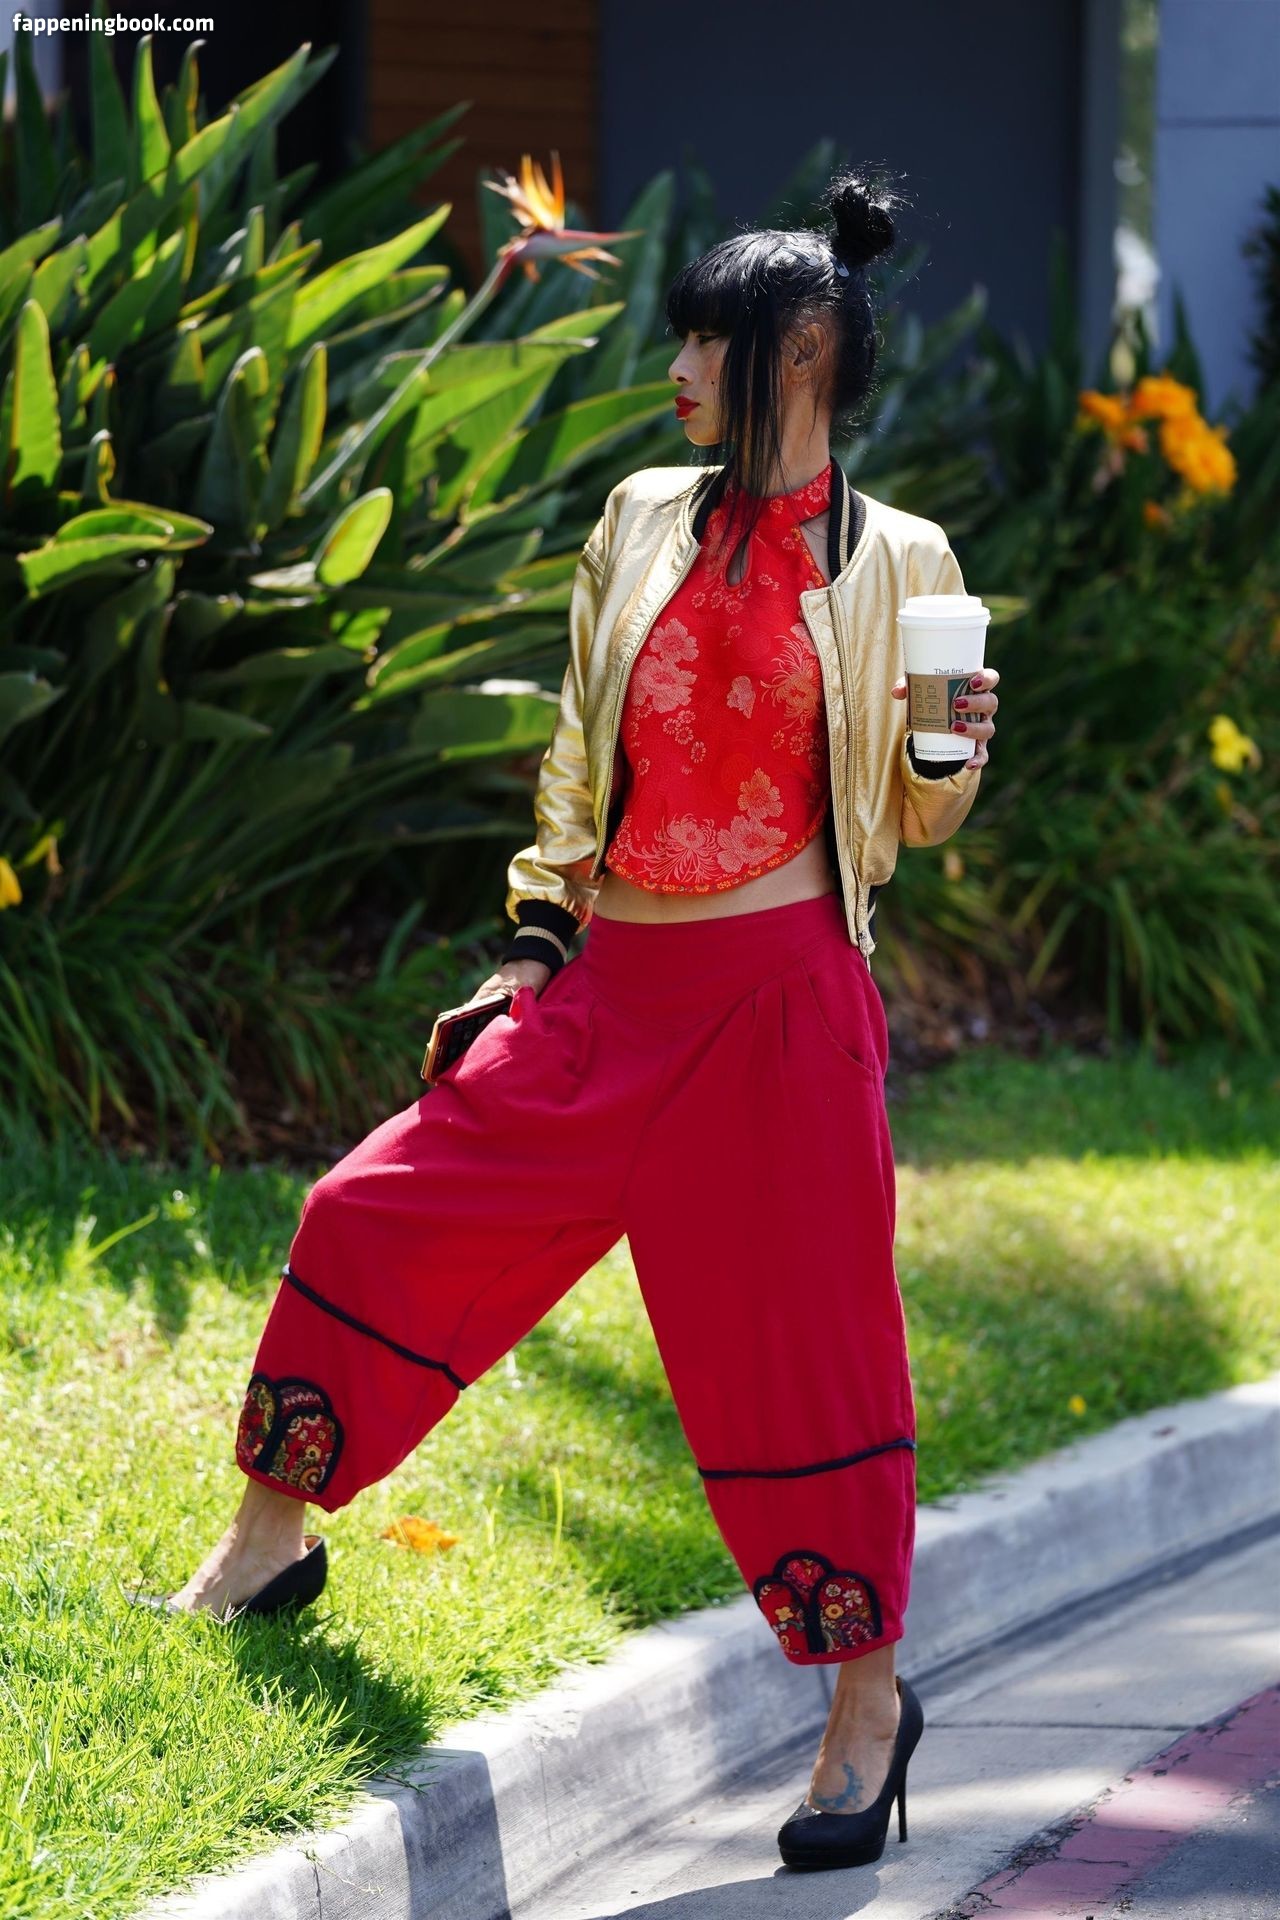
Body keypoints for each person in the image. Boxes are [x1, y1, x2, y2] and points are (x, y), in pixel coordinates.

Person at [131, 168, 1000, 1872]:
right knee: (372, 1210)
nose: (677, 371)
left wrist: (955, 739)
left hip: (780, 1015)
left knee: (806, 1356)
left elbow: (914, 811)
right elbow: (578, 757)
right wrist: (534, 946)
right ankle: (266, 1545)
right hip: (612, 993)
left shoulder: (901, 557)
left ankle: (865, 1710)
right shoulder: (640, 518)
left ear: (801, 351)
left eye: (707, 343)